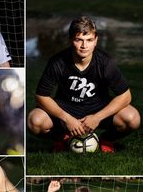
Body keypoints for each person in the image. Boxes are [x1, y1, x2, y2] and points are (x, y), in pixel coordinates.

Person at [28, 15, 140, 153]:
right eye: (79, 40)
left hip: (98, 106)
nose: (84, 46)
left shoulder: (105, 63)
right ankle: (63, 138)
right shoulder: (58, 62)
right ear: (70, 40)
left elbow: (126, 96)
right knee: (35, 121)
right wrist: (67, 119)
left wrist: (97, 117)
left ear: (96, 41)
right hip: (67, 106)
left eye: (89, 40)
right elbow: (41, 96)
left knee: (132, 118)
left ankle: (107, 140)